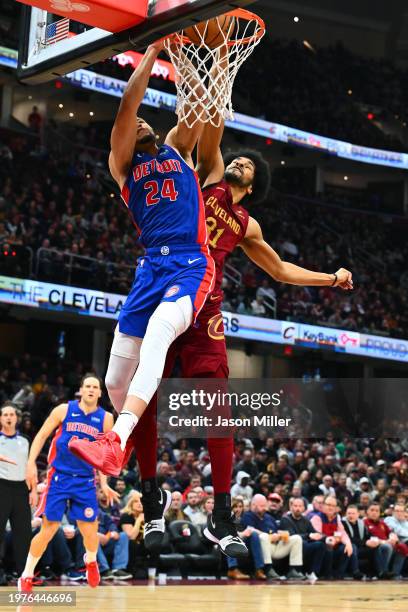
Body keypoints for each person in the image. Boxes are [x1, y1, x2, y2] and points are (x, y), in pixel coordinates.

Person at [123, 45, 353, 559]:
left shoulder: (246, 223)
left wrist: (329, 277)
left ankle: (222, 512)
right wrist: (220, 63)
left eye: (249, 165)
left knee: (217, 410)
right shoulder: (206, 177)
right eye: (240, 158)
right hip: (168, 279)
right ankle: (152, 493)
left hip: (205, 303)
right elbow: (213, 127)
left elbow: (280, 270)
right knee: (146, 394)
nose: (241, 161)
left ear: (254, 187)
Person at [69, 37, 215, 503]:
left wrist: (187, 51)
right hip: (150, 269)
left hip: (191, 263)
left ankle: (116, 439)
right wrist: (151, 52)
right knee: (115, 380)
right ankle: (126, 440)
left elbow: (192, 106)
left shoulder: (176, 147)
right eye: (138, 123)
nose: (144, 121)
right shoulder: (123, 164)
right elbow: (127, 108)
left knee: (157, 336)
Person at [19, 374, 118, 592]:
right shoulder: (64, 410)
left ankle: (90, 561)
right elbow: (42, 435)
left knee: (89, 530)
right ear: (81, 390)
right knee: (49, 528)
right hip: (59, 478)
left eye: (95, 387)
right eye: (88, 386)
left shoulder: (105, 418)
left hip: (85, 481)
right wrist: (30, 463)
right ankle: (26, 575)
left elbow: (105, 454)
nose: (91, 389)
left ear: (100, 393)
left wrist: (104, 483)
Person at [0, 403, 33, 585]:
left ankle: (24, 575)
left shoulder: (26, 441)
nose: (9, 417)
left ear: (17, 418)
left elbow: (31, 468)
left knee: (24, 534)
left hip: (21, 489)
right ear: (0, 418)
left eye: (12, 414)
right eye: (5, 414)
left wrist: (33, 490)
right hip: (1, 487)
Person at [242, 494, 305, 580]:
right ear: (253, 505)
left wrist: (279, 535)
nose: (264, 508)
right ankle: (268, 569)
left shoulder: (269, 517)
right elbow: (251, 530)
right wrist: (269, 536)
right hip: (261, 547)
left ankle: (294, 570)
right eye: (262, 505)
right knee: (263, 536)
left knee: (296, 538)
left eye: (265, 505)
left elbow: (277, 531)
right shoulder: (247, 516)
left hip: (275, 545)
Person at [280, 497, 326, 581]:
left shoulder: (306, 520)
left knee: (320, 545)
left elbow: (314, 532)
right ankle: (296, 571)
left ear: (304, 508)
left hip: (305, 544)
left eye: (300, 506)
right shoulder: (285, 519)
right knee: (302, 543)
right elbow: (292, 536)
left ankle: (312, 572)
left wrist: (322, 536)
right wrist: (309, 536)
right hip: (289, 547)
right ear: (291, 507)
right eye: (295, 506)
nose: (297, 508)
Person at [310, 495, 354, 579]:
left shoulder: (336, 519)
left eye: (333, 506)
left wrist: (348, 544)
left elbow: (343, 533)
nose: (330, 507)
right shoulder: (316, 517)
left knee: (346, 547)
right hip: (320, 546)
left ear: (336, 508)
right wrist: (332, 538)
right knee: (327, 546)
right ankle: (326, 574)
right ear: (323, 505)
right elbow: (317, 535)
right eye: (328, 505)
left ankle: (339, 574)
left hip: (333, 544)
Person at [342, 505, 390, 579]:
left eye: (353, 513)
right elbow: (348, 538)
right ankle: (355, 572)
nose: (350, 515)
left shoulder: (361, 523)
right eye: (349, 513)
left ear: (358, 514)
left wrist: (375, 541)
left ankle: (381, 572)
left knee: (375, 548)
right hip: (350, 547)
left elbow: (368, 535)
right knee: (353, 546)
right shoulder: (343, 523)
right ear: (346, 514)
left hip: (361, 548)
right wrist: (365, 542)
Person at [227, 497, 266, 581]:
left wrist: (249, 533)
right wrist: (242, 534)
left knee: (254, 535)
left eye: (240, 507)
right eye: (235, 507)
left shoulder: (244, 519)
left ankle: (259, 569)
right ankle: (232, 569)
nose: (238, 509)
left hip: (241, 543)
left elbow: (250, 530)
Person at [364, 503, 405, 577]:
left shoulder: (382, 523)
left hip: (387, 544)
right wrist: (386, 541)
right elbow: (370, 538)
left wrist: (393, 537)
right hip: (376, 545)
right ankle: (383, 571)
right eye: (372, 510)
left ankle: (395, 574)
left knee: (402, 548)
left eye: (377, 511)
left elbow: (390, 533)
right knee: (387, 546)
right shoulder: (364, 522)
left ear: (380, 513)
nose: (374, 512)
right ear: (367, 512)